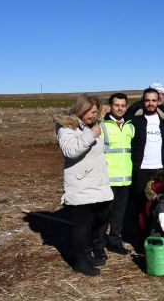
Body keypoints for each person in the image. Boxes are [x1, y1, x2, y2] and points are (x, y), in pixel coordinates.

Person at [55, 94, 114, 276]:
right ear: (81, 109)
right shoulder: (66, 127)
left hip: (98, 183)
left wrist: (101, 115)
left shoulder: (88, 125)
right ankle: (80, 260)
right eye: (90, 111)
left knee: (101, 216)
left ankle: (89, 251)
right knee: (82, 224)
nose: (93, 115)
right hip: (80, 184)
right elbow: (70, 151)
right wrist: (91, 134)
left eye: (95, 112)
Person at [130, 87, 164, 234]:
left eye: (153, 100)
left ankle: (157, 234)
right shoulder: (134, 121)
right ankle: (141, 236)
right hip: (141, 169)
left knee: (159, 204)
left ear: (159, 101)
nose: (150, 103)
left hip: (161, 169)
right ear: (142, 101)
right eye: (147, 100)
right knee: (140, 204)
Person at [98, 93, 135, 255]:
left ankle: (114, 241)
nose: (120, 108)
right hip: (108, 179)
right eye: (116, 105)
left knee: (119, 215)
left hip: (125, 179)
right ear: (110, 106)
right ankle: (98, 244)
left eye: (123, 105)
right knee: (103, 215)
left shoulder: (130, 126)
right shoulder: (102, 126)